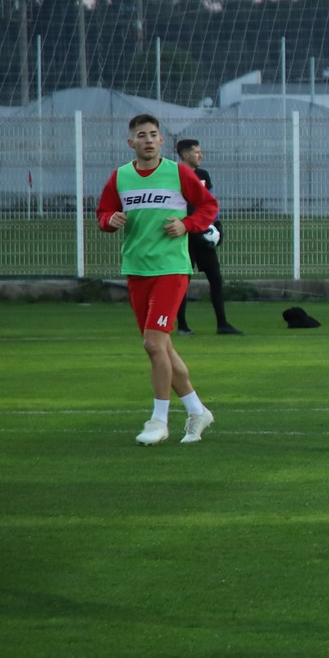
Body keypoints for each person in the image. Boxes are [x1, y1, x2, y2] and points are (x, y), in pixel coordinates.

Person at [97, 114, 219, 443]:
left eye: (153, 134)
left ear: (161, 140)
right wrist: (112, 218)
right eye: (141, 135)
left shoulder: (178, 172)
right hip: (137, 270)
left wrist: (187, 225)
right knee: (161, 347)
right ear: (131, 143)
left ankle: (158, 421)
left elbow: (208, 206)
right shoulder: (120, 176)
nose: (148, 140)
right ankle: (197, 411)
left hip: (171, 269)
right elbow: (103, 215)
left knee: (152, 344)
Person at [172, 139, 241, 336]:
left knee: (216, 278)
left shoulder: (203, 175)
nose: (201, 155)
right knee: (183, 280)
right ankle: (182, 326)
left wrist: (217, 225)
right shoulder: (174, 175)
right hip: (184, 235)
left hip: (203, 233)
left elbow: (210, 201)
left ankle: (222, 324)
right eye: (196, 152)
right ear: (185, 155)